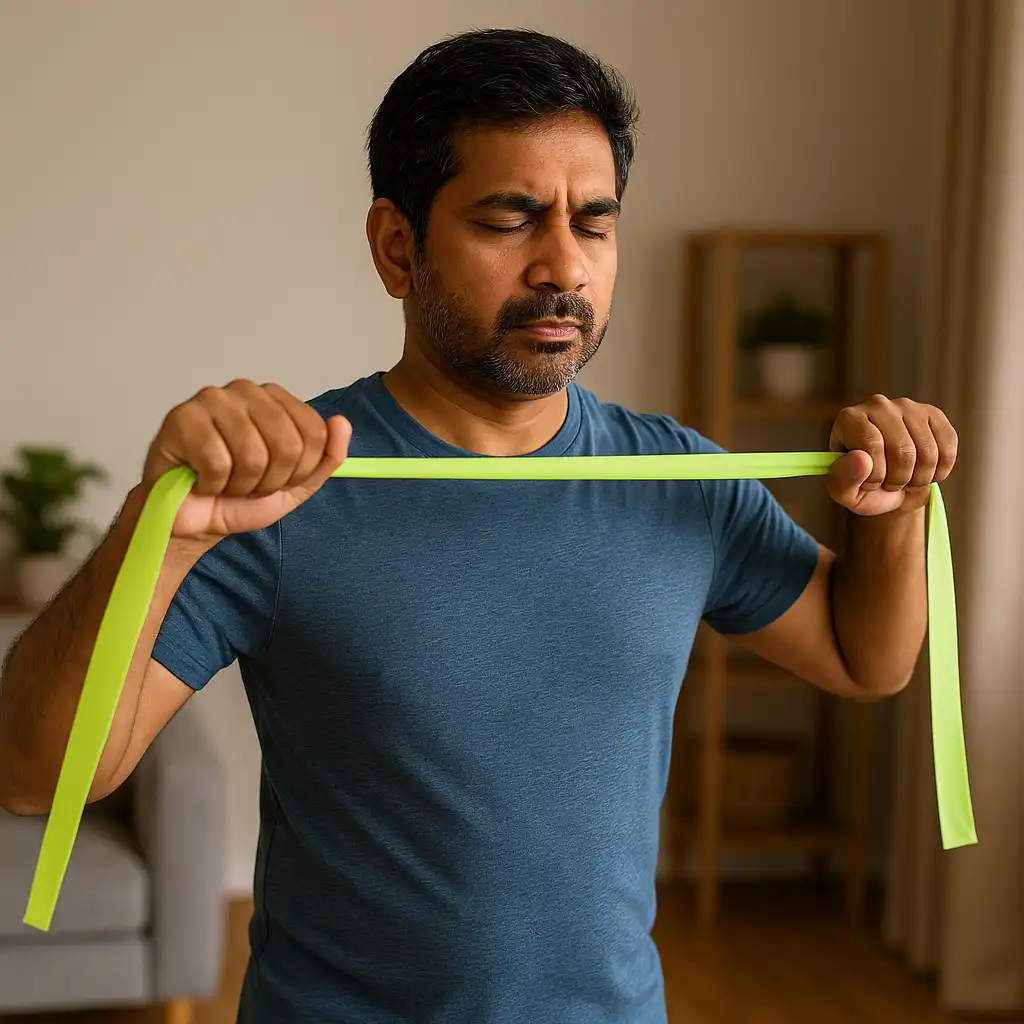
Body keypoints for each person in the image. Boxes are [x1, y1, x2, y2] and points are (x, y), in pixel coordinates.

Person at [0, 27, 956, 1024]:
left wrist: (892, 516)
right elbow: (32, 776)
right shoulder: (274, 491)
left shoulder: (681, 480)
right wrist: (160, 530)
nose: (562, 265)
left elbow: (863, 658)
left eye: (593, 222)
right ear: (396, 247)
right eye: (510, 219)